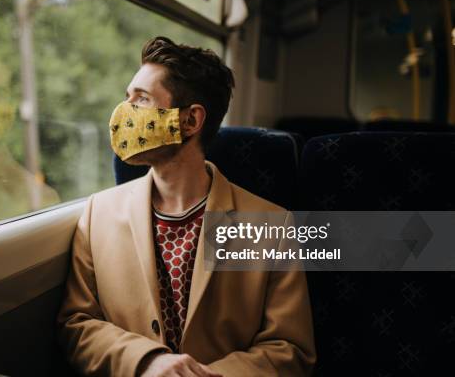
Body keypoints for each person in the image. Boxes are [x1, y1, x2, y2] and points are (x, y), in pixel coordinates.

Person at [57, 36, 315, 376]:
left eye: (142, 99)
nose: (123, 113)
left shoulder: (274, 226)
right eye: (127, 97)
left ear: (191, 121)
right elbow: (78, 324)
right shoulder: (97, 213)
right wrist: (147, 361)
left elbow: (290, 348)